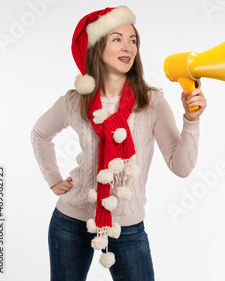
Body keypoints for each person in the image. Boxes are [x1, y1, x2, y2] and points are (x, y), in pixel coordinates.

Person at [30, 6, 206, 281]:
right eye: (117, 38)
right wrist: (53, 178)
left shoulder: (151, 102)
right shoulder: (75, 101)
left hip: (128, 228)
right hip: (70, 222)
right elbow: (40, 134)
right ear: (97, 49)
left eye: (132, 40)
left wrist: (191, 120)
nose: (128, 47)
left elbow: (181, 167)